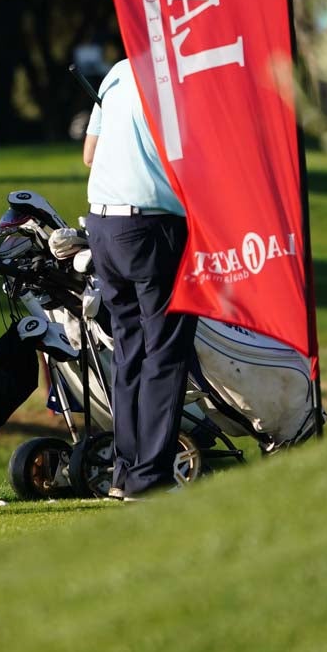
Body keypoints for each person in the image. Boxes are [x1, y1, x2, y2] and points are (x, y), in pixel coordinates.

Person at [82, 59, 197, 499]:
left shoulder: (118, 71)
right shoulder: (183, 75)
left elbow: (90, 154)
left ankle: (123, 471)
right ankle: (149, 477)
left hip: (103, 226)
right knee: (165, 351)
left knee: (129, 349)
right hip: (153, 228)